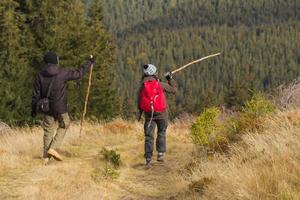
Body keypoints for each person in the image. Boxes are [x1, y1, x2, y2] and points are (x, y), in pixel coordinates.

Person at [31, 51, 95, 164]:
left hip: (46, 108)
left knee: (48, 131)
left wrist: (34, 110)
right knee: (65, 123)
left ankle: (46, 158)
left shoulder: (39, 75)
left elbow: (35, 94)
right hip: (60, 107)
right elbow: (79, 73)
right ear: (56, 61)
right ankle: (53, 148)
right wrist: (89, 63)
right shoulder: (62, 73)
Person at [138, 64, 177, 167]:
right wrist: (170, 79)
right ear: (154, 73)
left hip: (149, 115)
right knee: (161, 132)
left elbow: (139, 101)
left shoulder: (143, 85)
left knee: (149, 136)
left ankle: (148, 158)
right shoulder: (160, 84)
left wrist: (140, 113)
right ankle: (160, 154)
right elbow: (174, 90)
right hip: (161, 114)